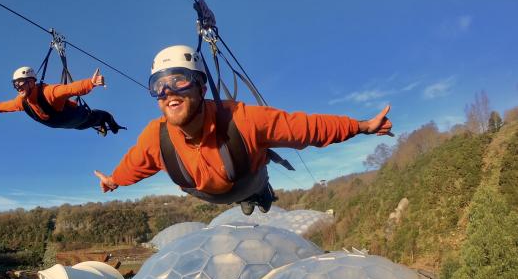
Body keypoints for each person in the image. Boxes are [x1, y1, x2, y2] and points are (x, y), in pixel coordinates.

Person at [94, 45, 393, 214]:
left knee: (252, 183)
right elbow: (135, 163)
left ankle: (261, 194)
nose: (168, 92)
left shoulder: (242, 119)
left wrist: (362, 127)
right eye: (158, 86)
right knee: (224, 185)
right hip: (207, 194)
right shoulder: (155, 137)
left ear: (200, 86)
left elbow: (306, 128)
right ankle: (249, 198)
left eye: (179, 80)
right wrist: (113, 180)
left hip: (248, 179)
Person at [0, 66, 125, 136]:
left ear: (31, 82)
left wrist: (91, 83)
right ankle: (101, 124)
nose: (18, 87)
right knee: (85, 126)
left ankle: (112, 124)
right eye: (15, 85)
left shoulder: (48, 92)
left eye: (21, 83)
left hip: (79, 116)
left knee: (103, 116)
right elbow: (8, 105)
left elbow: (70, 89)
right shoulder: (22, 101)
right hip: (72, 125)